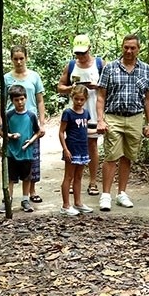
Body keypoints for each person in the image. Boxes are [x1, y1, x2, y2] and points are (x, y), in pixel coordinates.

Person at [96, 34, 149, 212]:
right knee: (111, 155)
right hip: (113, 116)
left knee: (128, 156)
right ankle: (105, 195)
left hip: (135, 117)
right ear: (122, 47)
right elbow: (101, 96)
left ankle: (122, 193)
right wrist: (100, 119)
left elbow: (148, 99)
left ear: (138, 49)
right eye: (126, 47)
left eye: (132, 48)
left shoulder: (146, 69)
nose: (129, 51)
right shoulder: (110, 68)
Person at [56, 34, 104, 196]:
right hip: (74, 113)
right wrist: (72, 88)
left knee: (92, 145)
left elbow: (109, 87)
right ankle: (71, 180)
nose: (81, 56)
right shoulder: (70, 66)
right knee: (73, 144)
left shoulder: (99, 64)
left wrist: (96, 86)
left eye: (83, 53)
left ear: (89, 49)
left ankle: (92, 182)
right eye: (78, 53)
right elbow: (60, 87)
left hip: (93, 111)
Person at [3, 45, 46, 203]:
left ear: (26, 58)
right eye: (15, 59)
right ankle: (10, 194)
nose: (19, 62)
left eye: (21, 58)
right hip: (12, 121)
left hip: (30, 120)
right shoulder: (7, 77)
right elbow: (2, 101)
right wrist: (1, 119)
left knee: (32, 157)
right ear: (11, 59)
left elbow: (40, 100)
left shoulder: (34, 76)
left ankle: (31, 191)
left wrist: (42, 122)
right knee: (13, 157)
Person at [0, 85, 40, 214]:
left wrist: (30, 141)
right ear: (12, 101)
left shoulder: (31, 116)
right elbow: (1, 131)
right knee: (10, 178)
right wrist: (10, 136)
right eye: (16, 100)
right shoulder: (8, 115)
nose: (20, 102)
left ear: (26, 98)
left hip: (26, 153)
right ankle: (7, 201)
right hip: (11, 152)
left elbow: (38, 132)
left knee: (26, 178)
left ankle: (25, 200)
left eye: (22, 99)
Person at [59, 85, 94, 216]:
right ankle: (65, 205)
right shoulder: (68, 113)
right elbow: (61, 132)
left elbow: (85, 130)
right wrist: (65, 149)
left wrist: (99, 131)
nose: (79, 102)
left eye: (82, 99)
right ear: (72, 98)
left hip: (83, 148)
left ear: (85, 99)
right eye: (76, 99)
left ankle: (78, 203)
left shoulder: (86, 113)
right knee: (69, 176)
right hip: (72, 148)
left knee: (79, 176)